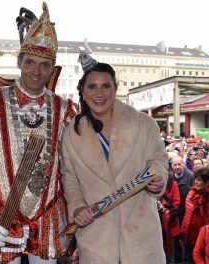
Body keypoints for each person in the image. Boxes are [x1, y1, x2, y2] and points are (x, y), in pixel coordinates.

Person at [0, 3, 76, 263]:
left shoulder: (65, 110)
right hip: (0, 215)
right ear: (19, 61)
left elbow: (81, 164)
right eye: (30, 62)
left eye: (45, 65)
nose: (36, 71)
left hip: (49, 218)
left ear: (52, 68)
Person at [61, 53, 168, 263]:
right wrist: (78, 208)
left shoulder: (144, 124)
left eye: (106, 86)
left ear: (115, 89)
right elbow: (70, 179)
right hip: (96, 238)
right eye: (92, 87)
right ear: (82, 92)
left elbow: (159, 161)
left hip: (141, 236)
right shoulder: (72, 134)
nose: (99, 93)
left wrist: (159, 181)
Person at [180, 168, 209, 263]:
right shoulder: (191, 193)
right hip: (190, 237)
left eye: (199, 180)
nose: (195, 182)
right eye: (195, 179)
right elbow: (187, 216)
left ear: (208, 182)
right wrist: (183, 234)